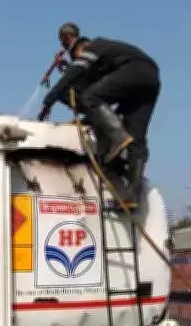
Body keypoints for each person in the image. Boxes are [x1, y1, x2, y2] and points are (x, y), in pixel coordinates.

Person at [37, 22, 161, 210]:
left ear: (71, 41)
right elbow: (98, 94)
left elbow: (75, 75)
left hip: (136, 70)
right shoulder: (107, 62)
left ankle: (118, 138)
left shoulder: (92, 46)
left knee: (90, 96)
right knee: (137, 139)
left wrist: (49, 100)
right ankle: (131, 197)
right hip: (151, 79)